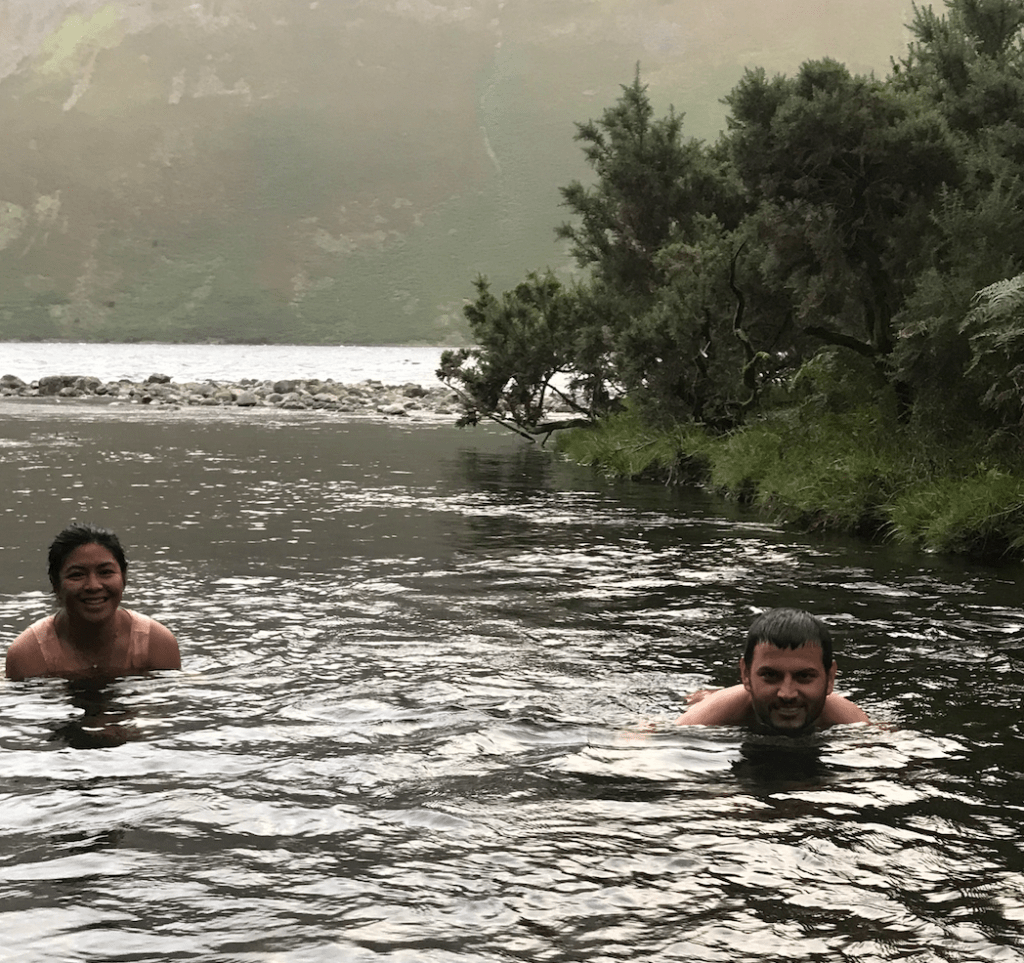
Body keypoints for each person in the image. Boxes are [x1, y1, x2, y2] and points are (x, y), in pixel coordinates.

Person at [5, 523, 181, 681]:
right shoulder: (29, 655)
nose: (93, 586)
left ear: (124, 577)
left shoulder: (156, 644)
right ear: (55, 584)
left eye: (105, 572)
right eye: (77, 575)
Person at [677, 607, 868, 734]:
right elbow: (651, 739)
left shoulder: (854, 725)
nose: (787, 694)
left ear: (830, 678)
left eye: (804, 677)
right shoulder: (702, 721)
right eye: (770, 675)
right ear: (745, 674)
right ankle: (703, 696)